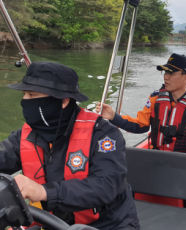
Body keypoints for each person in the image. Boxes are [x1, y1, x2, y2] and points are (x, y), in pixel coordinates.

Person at [0, 62, 139, 229]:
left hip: (108, 224)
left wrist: (44, 191)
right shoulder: (26, 134)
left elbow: (107, 185)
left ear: (63, 101)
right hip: (51, 223)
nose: (25, 101)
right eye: (25, 94)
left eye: (32, 94)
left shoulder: (103, 134)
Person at [96, 53, 186, 156]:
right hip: (157, 159)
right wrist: (113, 116)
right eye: (165, 72)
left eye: (171, 73)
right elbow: (140, 126)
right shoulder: (155, 99)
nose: (166, 77)